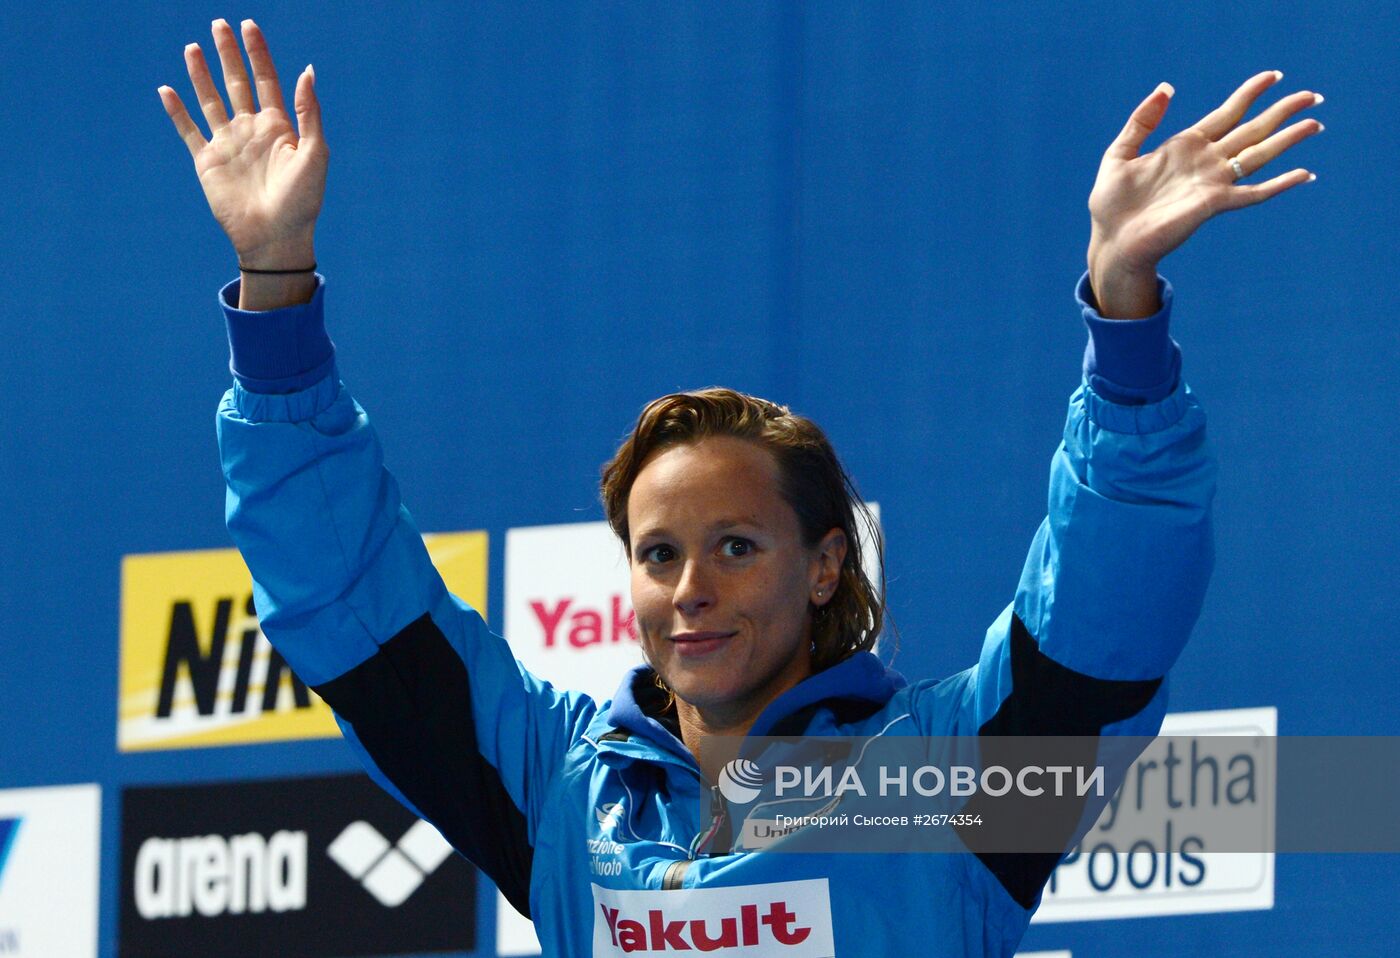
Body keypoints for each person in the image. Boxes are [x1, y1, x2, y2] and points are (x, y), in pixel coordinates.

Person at [159, 17, 1323, 956]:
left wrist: (1120, 306)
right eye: (657, 554)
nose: (689, 590)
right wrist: (274, 284)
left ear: (825, 563)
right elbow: (352, 602)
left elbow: (1101, 622)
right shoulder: (562, 793)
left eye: (735, 546)